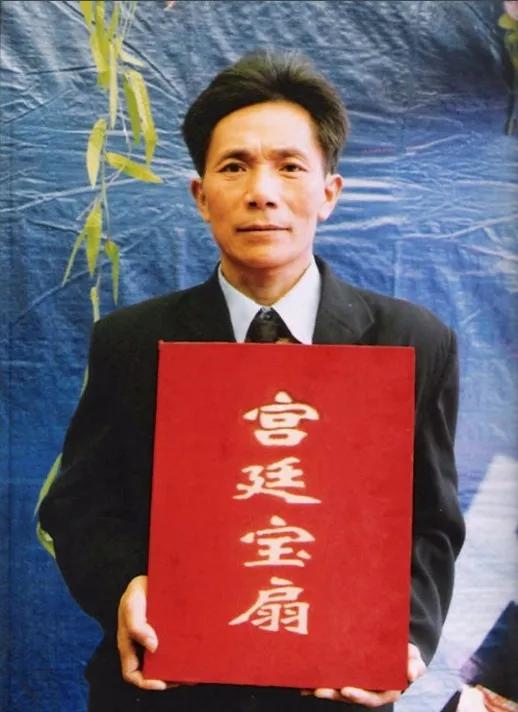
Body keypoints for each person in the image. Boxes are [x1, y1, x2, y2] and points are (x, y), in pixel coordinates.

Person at [39, 50, 465, 712]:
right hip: (165, 689)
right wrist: (124, 587)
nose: (261, 192)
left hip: (336, 691)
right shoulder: (131, 341)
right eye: (234, 166)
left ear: (329, 193)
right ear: (200, 195)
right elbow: (79, 507)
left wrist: (405, 639)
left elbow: (432, 525)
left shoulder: (411, 342)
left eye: (290, 166)